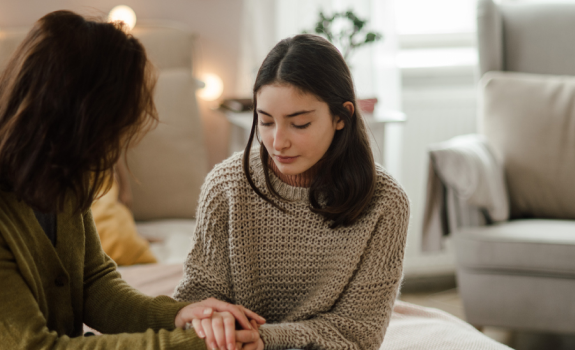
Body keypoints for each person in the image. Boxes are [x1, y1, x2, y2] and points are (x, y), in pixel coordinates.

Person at [0, 10, 264, 350]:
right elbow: (36, 346)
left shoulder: (55, 168)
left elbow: (93, 284)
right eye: (112, 126)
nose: (115, 143)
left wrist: (179, 316)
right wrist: (190, 344)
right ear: (74, 118)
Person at [173, 34, 410, 350]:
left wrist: (265, 339)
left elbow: (358, 334)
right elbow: (197, 298)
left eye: (299, 124)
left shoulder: (385, 202)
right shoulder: (226, 186)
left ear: (341, 117)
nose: (277, 142)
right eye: (266, 122)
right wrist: (212, 321)